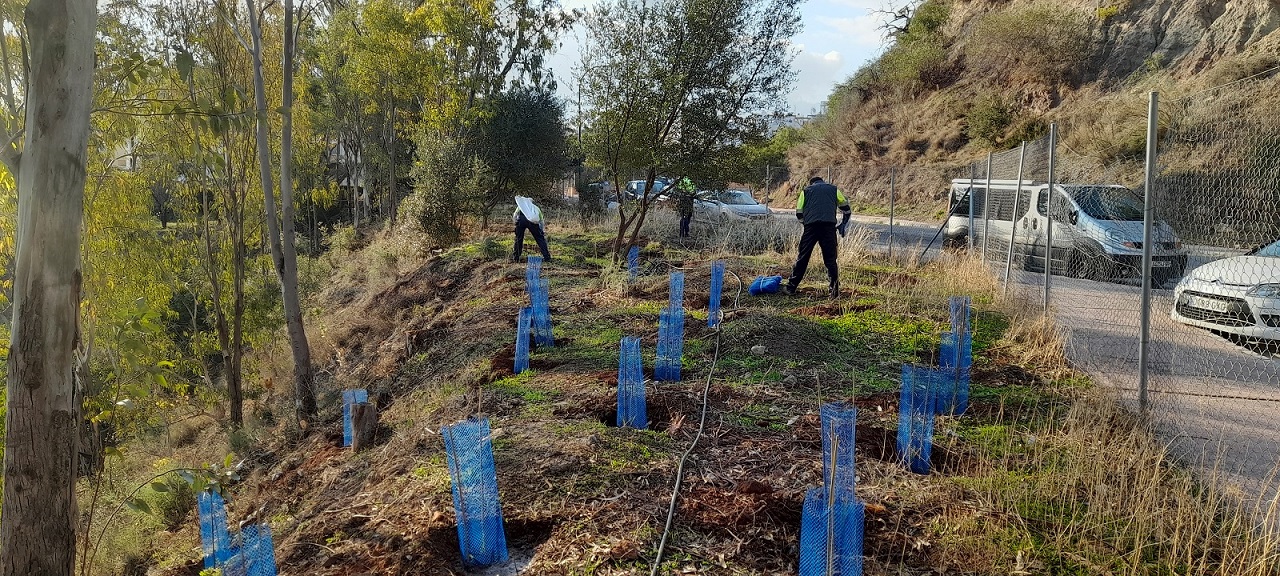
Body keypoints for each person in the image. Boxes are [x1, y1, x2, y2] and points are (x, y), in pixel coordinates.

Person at [784, 176, 851, 297]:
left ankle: (790, 288)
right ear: (822, 182)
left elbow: (799, 213)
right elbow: (846, 209)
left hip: (811, 228)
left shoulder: (806, 191)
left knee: (802, 257)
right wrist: (843, 224)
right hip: (828, 228)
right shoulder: (834, 190)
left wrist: (806, 224)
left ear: (812, 183)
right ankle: (834, 292)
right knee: (831, 260)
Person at [512, 196, 552, 262]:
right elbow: (541, 221)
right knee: (540, 239)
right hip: (533, 223)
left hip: (521, 221)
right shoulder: (536, 208)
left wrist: (515, 223)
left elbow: (515, 215)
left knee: (518, 238)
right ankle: (547, 257)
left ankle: (516, 257)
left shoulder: (520, 207)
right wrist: (541, 230)